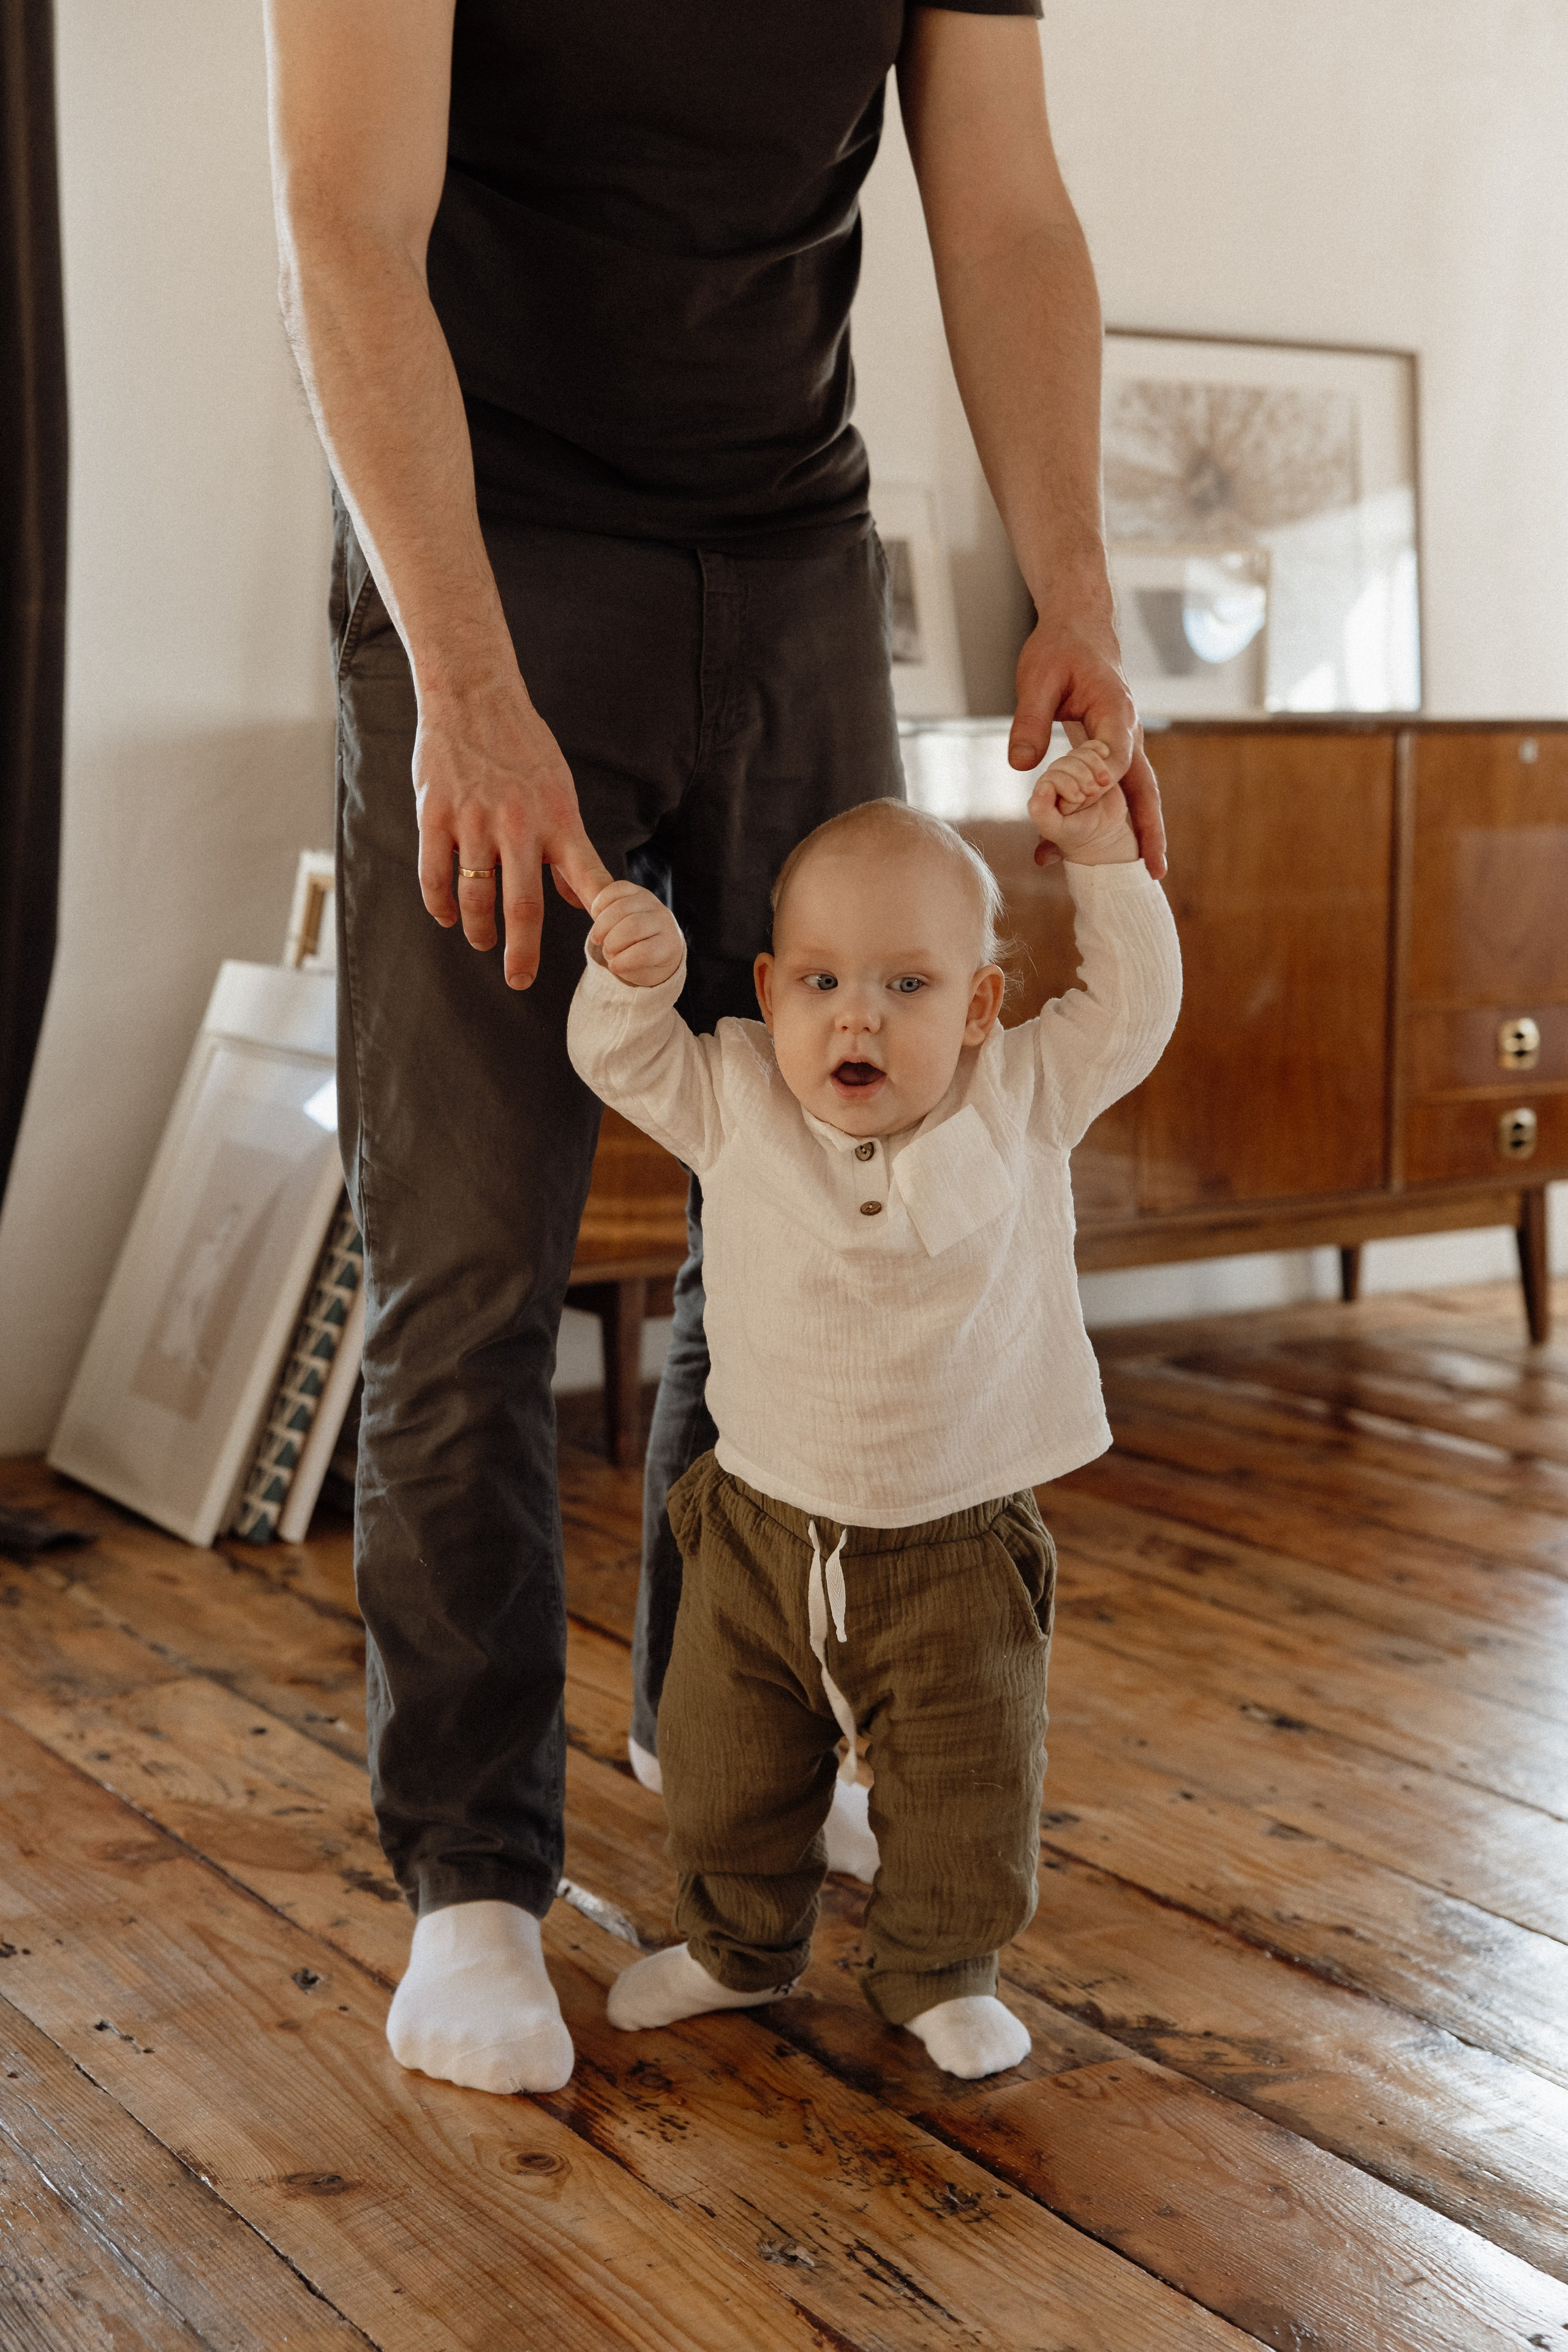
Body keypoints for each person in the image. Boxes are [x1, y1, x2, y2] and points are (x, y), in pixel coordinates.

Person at [265, 0, 1167, 2097]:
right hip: (484, 567)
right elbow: (340, 217)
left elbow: (1011, 208)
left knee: (787, 1217)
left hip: (789, 557)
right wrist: (461, 686)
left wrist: (1078, 579)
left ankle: (726, 1730)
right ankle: (470, 1873)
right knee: (473, 1269)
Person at [565, 747, 1181, 2078]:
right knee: (728, 1770)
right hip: (754, 1527)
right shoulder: (730, 1093)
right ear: (772, 992)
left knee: (965, 1782)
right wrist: (633, 980)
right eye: (824, 984)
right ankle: (735, 1945)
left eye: (907, 987)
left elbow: (1131, 1009)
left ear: (976, 1008)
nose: (859, 1020)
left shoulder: (1023, 1093)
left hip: (953, 1537)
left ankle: (940, 1966)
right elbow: (616, 1062)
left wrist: (1101, 863)